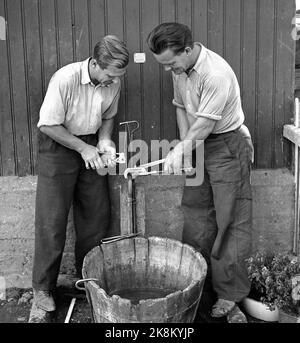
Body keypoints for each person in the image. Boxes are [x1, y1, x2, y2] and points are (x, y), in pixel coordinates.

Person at [147, 23, 254, 323]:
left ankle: (230, 296)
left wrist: (179, 150)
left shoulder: (216, 73)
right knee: (195, 214)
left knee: (229, 219)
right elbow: (181, 107)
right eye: (164, 64)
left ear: (188, 49)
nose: (168, 69)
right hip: (197, 143)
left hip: (226, 146)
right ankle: (198, 287)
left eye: (171, 62)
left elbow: (206, 125)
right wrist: (186, 148)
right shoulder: (179, 71)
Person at [29, 35, 129, 322]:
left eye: (117, 77)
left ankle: (87, 283)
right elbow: (47, 124)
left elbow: (109, 114)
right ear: (95, 64)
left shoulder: (114, 81)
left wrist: (105, 141)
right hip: (58, 144)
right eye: (109, 75)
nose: (113, 81)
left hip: (90, 143)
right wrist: (82, 147)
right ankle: (43, 290)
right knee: (52, 219)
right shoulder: (65, 78)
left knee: (96, 215)